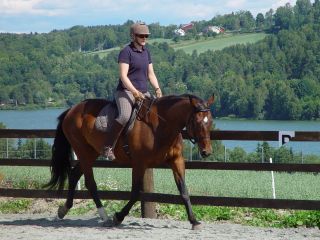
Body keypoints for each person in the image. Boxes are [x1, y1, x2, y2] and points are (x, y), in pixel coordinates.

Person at [103, 22, 162, 160]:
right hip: (126, 91)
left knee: (156, 113)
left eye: (146, 36)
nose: (144, 38)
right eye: (141, 35)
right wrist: (134, 92)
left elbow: (151, 74)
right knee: (124, 116)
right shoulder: (126, 52)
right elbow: (123, 76)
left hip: (144, 92)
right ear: (133, 36)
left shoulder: (146, 52)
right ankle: (108, 147)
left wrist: (157, 89)